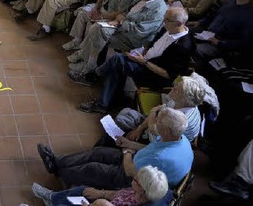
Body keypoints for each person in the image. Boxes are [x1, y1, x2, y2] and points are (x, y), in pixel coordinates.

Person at [38, 107, 193, 189]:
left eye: (157, 123)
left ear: (166, 130)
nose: (153, 125)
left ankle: (60, 171)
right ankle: (56, 161)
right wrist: (129, 144)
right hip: (137, 160)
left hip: (134, 178)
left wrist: (127, 151)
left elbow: (129, 171)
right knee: (99, 152)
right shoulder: (178, 137)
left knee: (93, 168)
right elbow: (152, 147)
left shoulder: (162, 157)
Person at [77, 7, 194, 112]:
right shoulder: (168, 29)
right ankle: (108, 101)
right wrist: (143, 52)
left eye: (167, 20)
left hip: (153, 74)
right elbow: (153, 43)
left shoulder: (183, 46)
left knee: (117, 60)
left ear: (178, 23)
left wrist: (144, 62)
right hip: (145, 59)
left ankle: (94, 76)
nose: (163, 22)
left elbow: (167, 75)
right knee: (117, 64)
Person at [68, 0, 168, 78]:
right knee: (96, 27)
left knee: (98, 31)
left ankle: (88, 67)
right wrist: (118, 20)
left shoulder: (158, 11)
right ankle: (85, 59)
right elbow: (128, 10)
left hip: (133, 39)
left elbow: (139, 31)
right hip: (122, 26)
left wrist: (122, 21)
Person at [117, 76, 206, 143]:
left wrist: (152, 113)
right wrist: (139, 129)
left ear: (185, 99)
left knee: (122, 123)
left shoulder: (179, 120)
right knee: (125, 113)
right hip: (156, 124)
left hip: (157, 142)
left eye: (177, 90)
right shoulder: (178, 102)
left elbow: (153, 129)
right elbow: (159, 110)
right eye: (176, 85)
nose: (173, 88)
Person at [31, 165, 171, 206]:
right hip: (103, 202)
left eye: (136, 179)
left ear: (142, 189)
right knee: (84, 190)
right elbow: (119, 194)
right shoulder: (139, 193)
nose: (133, 179)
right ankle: (52, 197)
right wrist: (101, 193)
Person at [192, 0, 253, 64]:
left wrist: (219, 43)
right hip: (207, 33)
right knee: (183, 33)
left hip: (220, 45)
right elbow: (214, 14)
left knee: (196, 49)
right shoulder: (230, 1)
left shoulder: (248, 16)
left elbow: (243, 42)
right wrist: (200, 22)